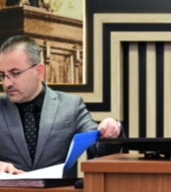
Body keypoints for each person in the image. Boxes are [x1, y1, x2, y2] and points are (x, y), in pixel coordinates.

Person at [0, 35, 123, 176]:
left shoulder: (71, 105)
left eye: (15, 73)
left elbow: (98, 149)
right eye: (2, 75)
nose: (7, 83)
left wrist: (112, 129)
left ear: (39, 71)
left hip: (61, 189)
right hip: (8, 190)